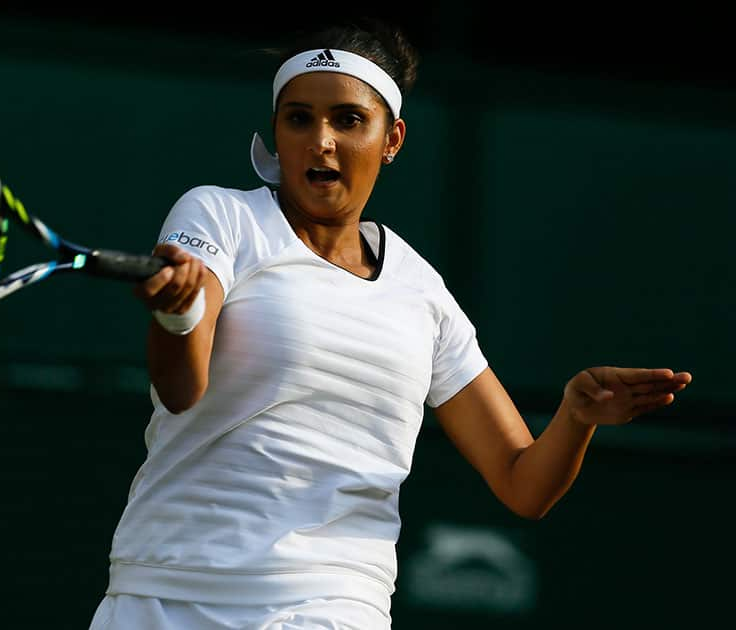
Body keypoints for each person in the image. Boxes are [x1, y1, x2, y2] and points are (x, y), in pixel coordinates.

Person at [89, 19, 693, 630]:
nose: (320, 140)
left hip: (330, 605)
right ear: (277, 130)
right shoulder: (220, 215)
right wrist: (174, 312)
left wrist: (576, 418)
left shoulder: (422, 293)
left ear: (392, 137)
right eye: (299, 118)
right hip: (160, 595)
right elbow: (181, 389)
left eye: (347, 120)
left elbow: (523, 483)